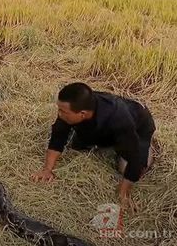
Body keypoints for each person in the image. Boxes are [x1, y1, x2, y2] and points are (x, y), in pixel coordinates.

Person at [31, 82, 158, 212]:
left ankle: (149, 146)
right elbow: (58, 136)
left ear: (82, 113)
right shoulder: (78, 107)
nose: (59, 114)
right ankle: (104, 140)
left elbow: (134, 156)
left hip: (139, 127)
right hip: (105, 125)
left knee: (126, 168)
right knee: (78, 146)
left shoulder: (119, 120)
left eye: (63, 111)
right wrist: (47, 169)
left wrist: (123, 193)